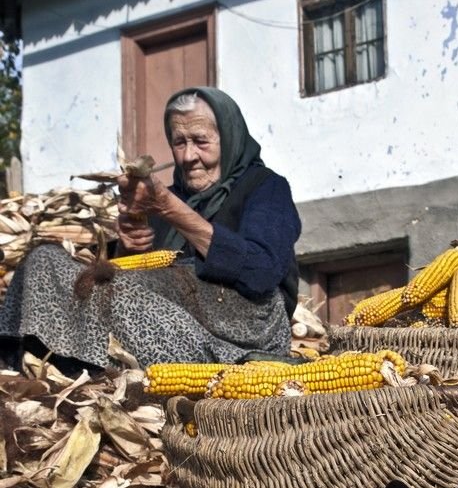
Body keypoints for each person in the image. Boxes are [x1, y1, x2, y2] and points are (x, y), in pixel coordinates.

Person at [0, 86, 302, 370]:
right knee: (44, 260)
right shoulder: (167, 198)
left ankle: (74, 361)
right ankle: (21, 362)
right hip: (164, 315)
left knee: (114, 297)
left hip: (240, 328)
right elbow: (137, 279)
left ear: (230, 138)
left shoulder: (265, 188)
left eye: (200, 141)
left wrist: (170, 208)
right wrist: (129, 248)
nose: (188, 156)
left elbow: (261, 271)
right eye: (179, 142)